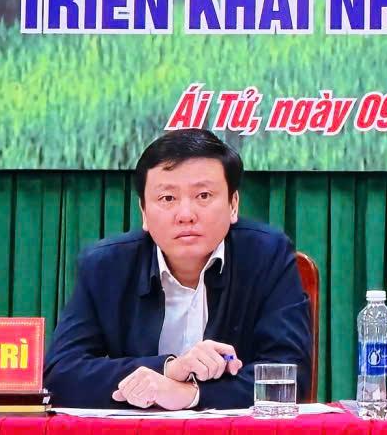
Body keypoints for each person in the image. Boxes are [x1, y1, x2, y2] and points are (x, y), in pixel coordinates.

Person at [46, 129, 311, 410]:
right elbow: (61, 375)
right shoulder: (105, 267)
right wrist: (169, 368)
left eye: (203, 195)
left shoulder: (266, 255)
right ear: (144, 212)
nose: (186, 215)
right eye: (168, 199)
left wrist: (190, 394)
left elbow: (289, 375)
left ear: (233, 204)